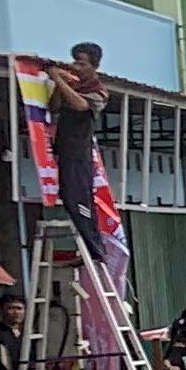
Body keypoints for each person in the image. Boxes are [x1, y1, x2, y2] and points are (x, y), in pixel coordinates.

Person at [46, 46, 105, 231]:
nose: (76, 67)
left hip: (80, 154)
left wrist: (57, 78)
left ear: (94, 66)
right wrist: (59, 84)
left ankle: (93, 250)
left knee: (79, 200)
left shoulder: (99, 91)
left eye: (82, 64)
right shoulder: (71, 85)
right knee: (67, 195)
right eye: (75, 63)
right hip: (64, 150)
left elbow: (81, 105)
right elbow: (54, 107)